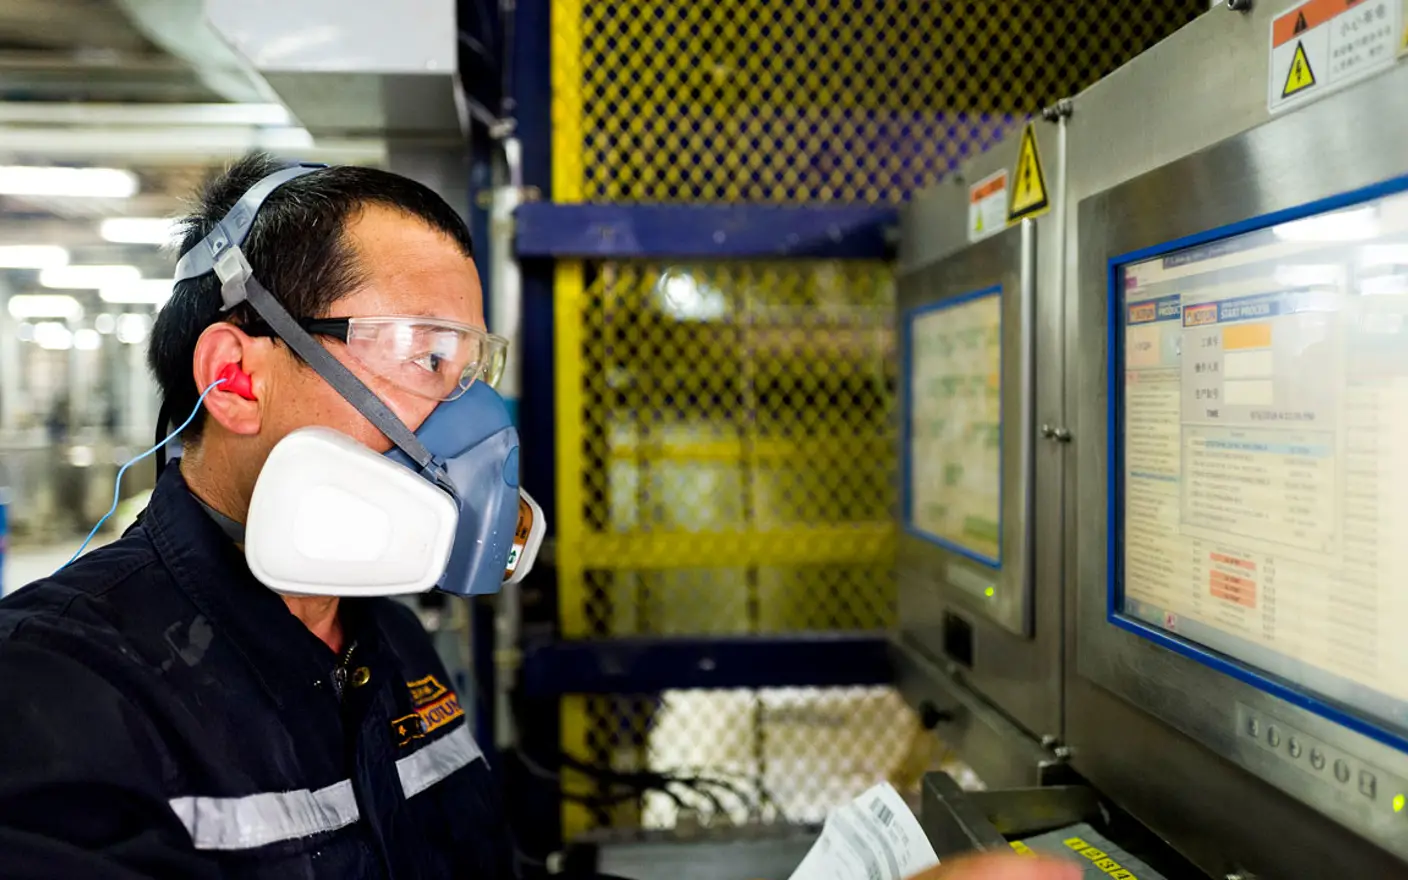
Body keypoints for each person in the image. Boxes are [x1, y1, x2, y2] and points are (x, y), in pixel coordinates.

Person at [0, 155, 519, 878]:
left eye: (469, 371)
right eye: (424, 356)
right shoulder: (55, 692)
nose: (467, 418)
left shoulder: (393, 641)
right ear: (235, 380)